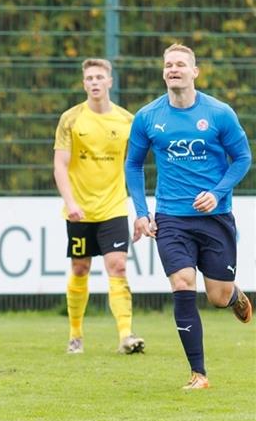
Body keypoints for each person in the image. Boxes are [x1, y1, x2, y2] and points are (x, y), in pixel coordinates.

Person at [124, 43, 252, 390]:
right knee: (182, 283)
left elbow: (242, 158)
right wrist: (140, 213)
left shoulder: (219, 113)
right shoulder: (148, 117)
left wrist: (217, 192)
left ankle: (232, 294)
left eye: (181, 64)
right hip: (171, 218)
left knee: (216, 296)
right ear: (163, 72)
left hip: (214, 218)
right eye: (168, 65)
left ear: (195, 72)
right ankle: (199, 373)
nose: (173, 69)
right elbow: (133, 165)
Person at [53, 58, 145, 355]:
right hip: (80, 209)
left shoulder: (127, 121)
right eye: (89, 78)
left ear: (110, 82)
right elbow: (60, 165)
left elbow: (138, 161)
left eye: (99, 77)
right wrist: (71, 202)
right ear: (84, 84)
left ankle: (126, 335)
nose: (94, 82)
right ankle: (75, 335)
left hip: (114, 207)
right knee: (80, 268)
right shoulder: (71, 119)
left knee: (117, 266)